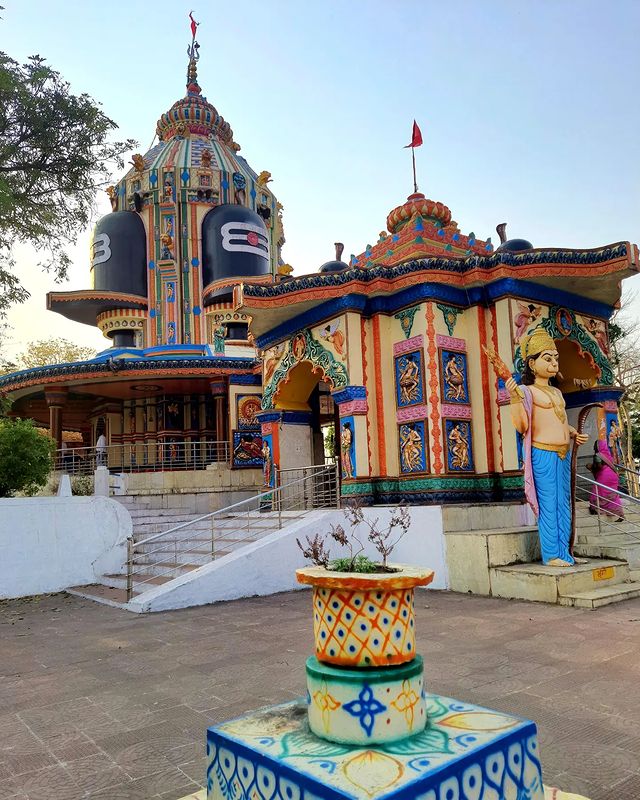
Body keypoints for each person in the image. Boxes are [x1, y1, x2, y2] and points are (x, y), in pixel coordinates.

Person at [505, 328, 588, 566]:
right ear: (532, 364)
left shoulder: (556, 392)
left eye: (555, 358)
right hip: (542, 453)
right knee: (549, 503)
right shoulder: (525, 391)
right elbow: (522, 425)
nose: (554, 363)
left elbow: (560, 419)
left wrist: (573, 433)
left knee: (564, 503)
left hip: (562, 453)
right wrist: (513, 398)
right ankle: (551, 554)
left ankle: (565, 553)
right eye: (547, 358)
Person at [587, 439, 624, 521]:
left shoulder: (598, 455)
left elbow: (599, 466)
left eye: (595, 446)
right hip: (613, 476)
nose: (593, 448)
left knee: (597, 491)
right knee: (612, 495)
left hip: (605, 476)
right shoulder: (607, 455)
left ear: (598, 447)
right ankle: (620, 514)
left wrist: (591, 467)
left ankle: (595, 509)